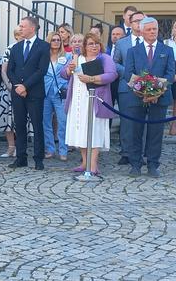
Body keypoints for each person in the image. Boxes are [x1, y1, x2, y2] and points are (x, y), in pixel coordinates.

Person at [123, 17, 175, 178]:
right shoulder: (133, 51)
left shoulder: (167, 51)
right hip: (136, 97)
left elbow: (170, 74)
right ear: (142, 31)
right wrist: (143, 92)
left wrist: (155, 92)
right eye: (149, 29)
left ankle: (153, 164)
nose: (153, 32)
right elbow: (128, 74)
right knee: (135, 131)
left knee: (156, 132)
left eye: (155, 29)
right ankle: (135, 165)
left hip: (160, 98)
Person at [61, 33, 117, 175]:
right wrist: (69, 69)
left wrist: (91, 78)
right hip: (78, 100)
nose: (94, 46)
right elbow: (63, 74)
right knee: (80, 131)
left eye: (96, 43)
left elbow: (112, 75)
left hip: (95, 100)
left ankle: (93, 165)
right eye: (91, 44)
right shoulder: (77, 58)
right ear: (85, 46)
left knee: (94, 131)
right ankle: (84, 161)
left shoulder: (104, 58)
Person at [7, 16, 50, 170]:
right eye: (20, 26)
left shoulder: (43, 46)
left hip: (34, 92)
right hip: (18, 92)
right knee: (19, 125)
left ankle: (38, 159)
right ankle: (21, 158)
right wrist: (17, 86)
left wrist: (25, 86)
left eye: (23, 26)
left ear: (32, 28)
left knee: (37, 126)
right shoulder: (16, 47)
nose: (20, 29)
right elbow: (10, 70)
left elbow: (41, 70)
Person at [113, 11, 144, 165]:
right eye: (137, 21)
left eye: (142, 20)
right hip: (126, 86)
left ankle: (140, 152)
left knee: (142, 121)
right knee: (126, 121)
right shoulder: (122, 43)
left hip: (146, 87)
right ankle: (125, 152)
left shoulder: (150, 41)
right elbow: (115, 62)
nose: (139, 23)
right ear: (130, 24)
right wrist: (128, 75)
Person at [0, 26, 30, 158]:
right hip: (9, 88)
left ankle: (21, 148)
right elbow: (4, 71)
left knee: (21, 119)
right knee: (7, 118)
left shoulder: (29, 50)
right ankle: (10, 147)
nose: (22, 38)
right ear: (16, 36)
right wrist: (10, 86)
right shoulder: (11, 49)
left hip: (24, 88)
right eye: (19, 35)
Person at [43, 32, 69, 161]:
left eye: (59, 40)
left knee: (62, 122)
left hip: (60, 92)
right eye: (53, 40)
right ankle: (50, 149)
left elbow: (70, 73)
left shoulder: (67, 56)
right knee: (46, 122)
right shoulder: (43, 56)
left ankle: (63, 150)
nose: (56, 42)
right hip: (45, 91)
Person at [164, 19, 176, 136]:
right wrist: (170, 75)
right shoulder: (166, 42)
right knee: (164, 96)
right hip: (167, 71)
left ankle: (173, 125)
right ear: (173, 29)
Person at [107, 25, 126, 113]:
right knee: (108, 109)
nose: (115, 36)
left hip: (121, 81)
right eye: (113, 34)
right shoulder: (106, 49)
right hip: (108, 83)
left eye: (118, 34)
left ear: (124, 36)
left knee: (123, 110)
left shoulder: (127, 49)